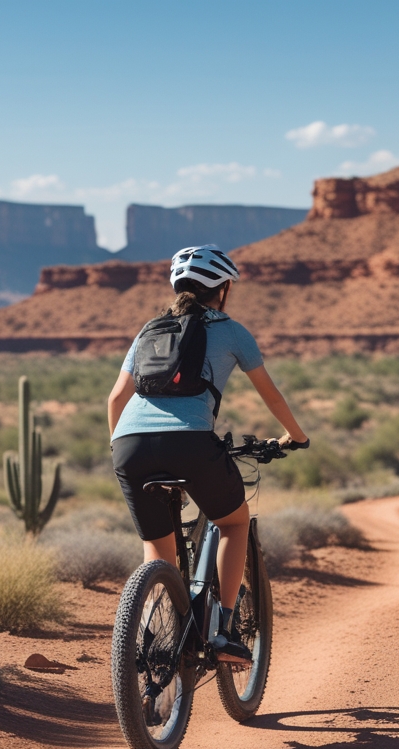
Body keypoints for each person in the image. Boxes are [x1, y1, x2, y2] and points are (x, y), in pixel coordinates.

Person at [107, 245, 309, 663]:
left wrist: (125, 454)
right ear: (224, 289)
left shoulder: (150, 329)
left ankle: (151, 648)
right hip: (192, 443)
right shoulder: (232, 330)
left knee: (157, 553)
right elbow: (270, 395)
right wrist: (295, 436)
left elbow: (115, 400)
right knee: (234, 523)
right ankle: (222, 630)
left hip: (128, 446)